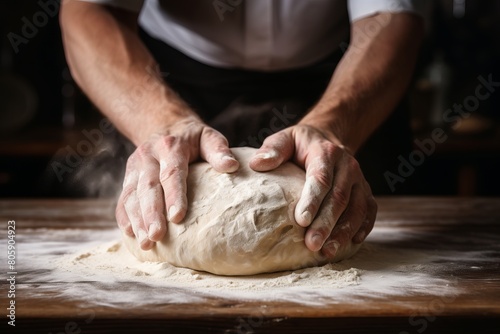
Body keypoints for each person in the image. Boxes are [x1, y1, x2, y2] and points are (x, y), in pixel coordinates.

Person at [60, 0, 424, 259]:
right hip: (164, 79)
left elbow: (393, 16)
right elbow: (89, 9)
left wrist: (332, 128)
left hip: (342, 80)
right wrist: (163, 124)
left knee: (339, 209)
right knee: (163, 207)